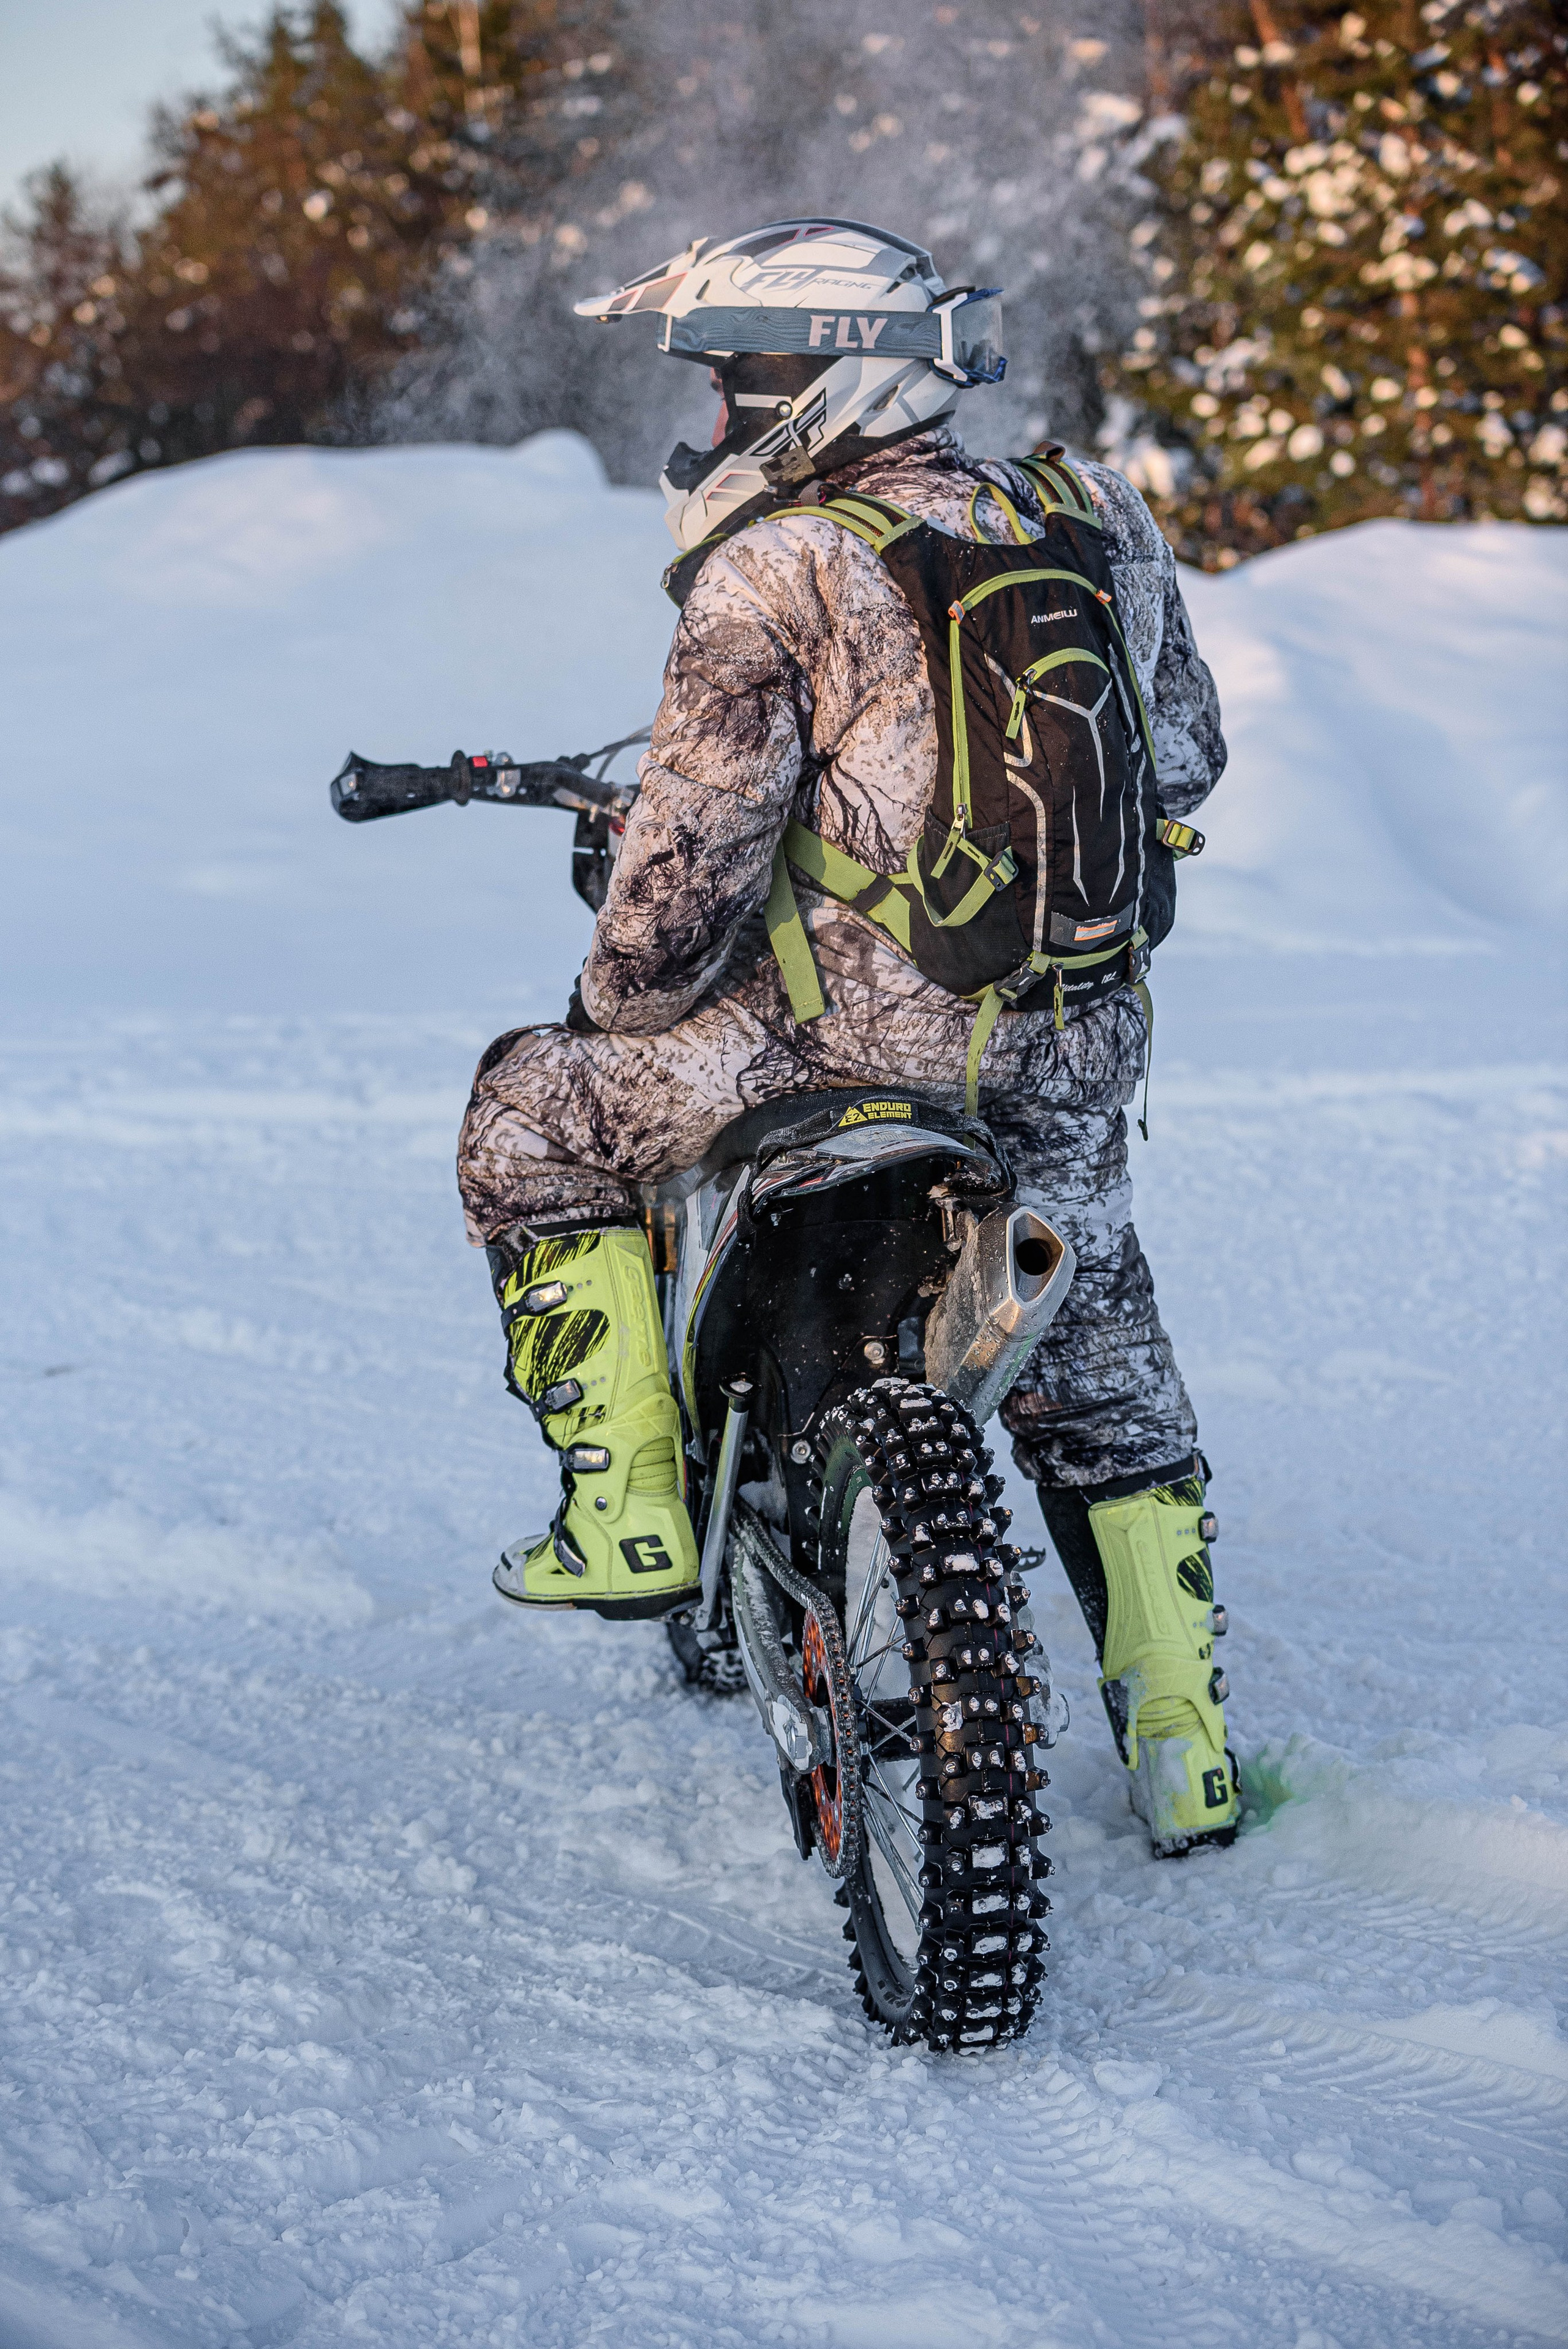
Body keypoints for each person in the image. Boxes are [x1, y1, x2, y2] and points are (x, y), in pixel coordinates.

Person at [457, 219, 1237, 1856]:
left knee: (531, 1109)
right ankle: (1188, 1748)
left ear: (829, 377)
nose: (722, 420)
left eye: (742, 383)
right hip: (1072, 1052)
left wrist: (615, 1011)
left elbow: (675, 901)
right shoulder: (1094, 514)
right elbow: (1183, 764)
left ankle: (629, 1516)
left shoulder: (779, 562)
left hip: (838, 1058)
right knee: (1097, 1350)